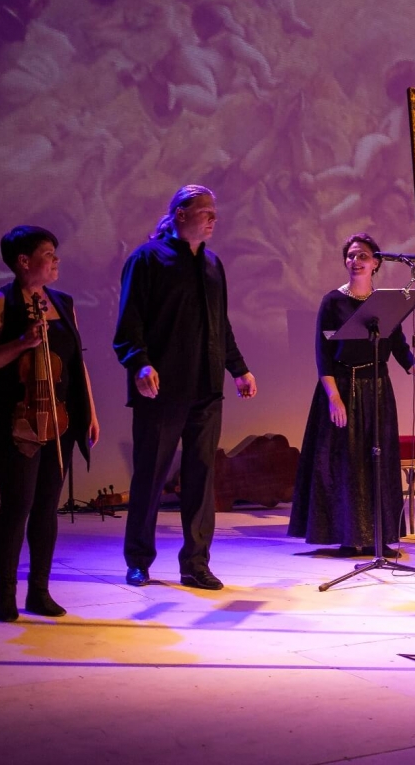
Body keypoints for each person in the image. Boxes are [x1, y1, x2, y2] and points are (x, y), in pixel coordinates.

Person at [113, 185, 256, 590]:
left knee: (201, 479)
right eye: (205, 211)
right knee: (151, 477)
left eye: (215, 212)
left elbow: (220, 323)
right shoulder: (146, 258)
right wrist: (139, 362)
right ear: (180, 213)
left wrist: (239, 369)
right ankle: (138, 561)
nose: (213, 218)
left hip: (206, 388)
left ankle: (195, 563)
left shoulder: (212, 263)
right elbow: (129, 321)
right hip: (162, 390)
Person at [0, 226, 99, 621]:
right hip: (17, 423)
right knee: (17, 506)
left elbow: (76, 362)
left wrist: (91, 411)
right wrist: (21, 343)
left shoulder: (63, 302)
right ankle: (5, 594)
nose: (56, 260)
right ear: (23, 261)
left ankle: (39, 591)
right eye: (48, 254)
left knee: (46, 509)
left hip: (59, 420)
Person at [288, 234, 415, 557]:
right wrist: (334, 398)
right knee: (347, 463)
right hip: (343, 387)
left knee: (378, 461)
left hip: (377, 388)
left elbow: (399, 347)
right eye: (351, 256)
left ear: (376, 262)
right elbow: (323, 355)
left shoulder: (385, 304)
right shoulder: (332, 302)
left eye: (363, 256)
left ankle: (380, 537)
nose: (355, 261)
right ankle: (349, 538)